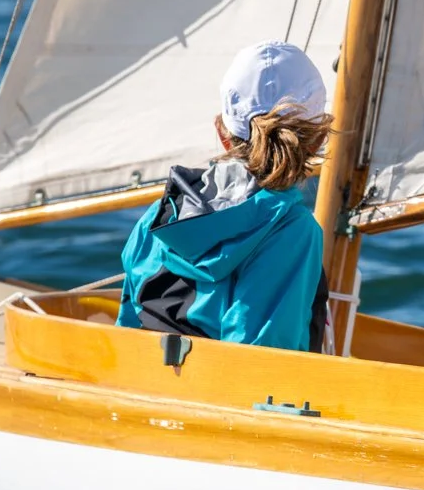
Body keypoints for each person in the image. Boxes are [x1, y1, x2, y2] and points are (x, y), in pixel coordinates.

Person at [118, 41, 334, 352]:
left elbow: (127, 330)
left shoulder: (161, 214)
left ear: (222, 134)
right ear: (319, 140)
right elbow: (259, 359)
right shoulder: (292, 230)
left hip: (142, 375)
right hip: (224, 383)